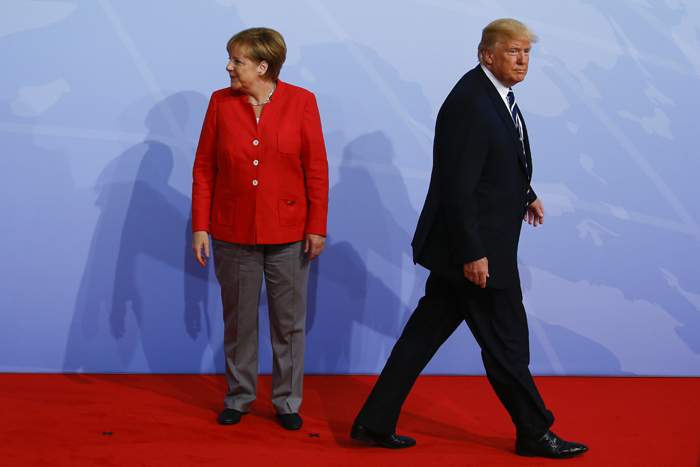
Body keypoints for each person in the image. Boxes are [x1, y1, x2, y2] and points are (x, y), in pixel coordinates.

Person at [350, 19, 588, 458]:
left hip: (466, 249)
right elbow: (456, 186)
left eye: (526, 53)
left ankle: (373, 422)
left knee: (422, 338)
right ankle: (534, 432)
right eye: (513, 52)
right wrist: (473, 253)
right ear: (487, 55)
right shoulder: (471, 103)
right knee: (507, 343)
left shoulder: (492, 96)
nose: (522, 60)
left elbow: (493, 165)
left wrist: (526, 194)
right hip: (474, 254)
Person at [191, 27, 328, 431]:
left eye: (238, 60)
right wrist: (201, 226)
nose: (229, 66)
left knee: (288, 323)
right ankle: (240, 396)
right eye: (231, 59)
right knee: (239, 321)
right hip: (232, 232)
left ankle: (287, 401)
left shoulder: (302, 102)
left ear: (263, 66)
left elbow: (316, 169)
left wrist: (316, 226)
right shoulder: (219, 103)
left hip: (289, 233)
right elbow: (204, 169)